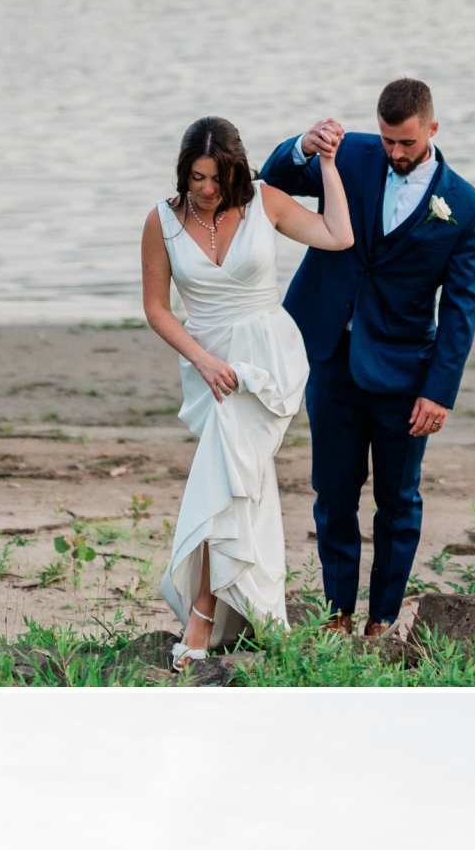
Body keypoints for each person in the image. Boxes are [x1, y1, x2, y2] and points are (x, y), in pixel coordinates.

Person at [260, 79, 475, 636]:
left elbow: (461, 307)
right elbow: (275, 181)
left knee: (398, 501)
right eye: (388, 140)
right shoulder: (355, 153)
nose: (395, 153)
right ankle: (337, 613)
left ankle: (381, 619)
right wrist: (303, 145)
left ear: (432, 130)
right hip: (330, 355)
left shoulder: (464, 206)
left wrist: (439, 390)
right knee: (333, 493)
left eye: (406, 143)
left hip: (405, 373)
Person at [143, 115, 353, 670]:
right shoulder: (162, 222)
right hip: (209, 365)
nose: (206, 190)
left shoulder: (265, 201)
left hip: (266, 362)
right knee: (242, 485)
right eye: (195, 178)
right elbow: (157, 309)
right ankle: (259, 610)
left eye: (216, 178)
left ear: (234, 170)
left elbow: (339, 235)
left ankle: (203, 613)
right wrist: (203, 359)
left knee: (227, 477)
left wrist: (328, 165)